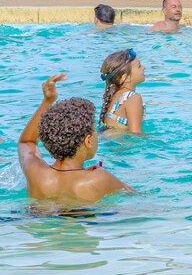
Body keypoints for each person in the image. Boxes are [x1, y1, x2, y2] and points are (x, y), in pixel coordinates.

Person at [19, 74, 133, 202]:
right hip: (82, 220)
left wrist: (47, 101)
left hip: (36, 218)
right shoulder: (100, 178)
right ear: (88, 141)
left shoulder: (36, 174)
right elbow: (137, 195)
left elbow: (26, 142)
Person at [99, 48, 146, 134]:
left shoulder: (114, 96)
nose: (144, 67)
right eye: (139, 66)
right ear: (125, 78)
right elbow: (136, 136)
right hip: (122, 145)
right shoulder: (133, 98)